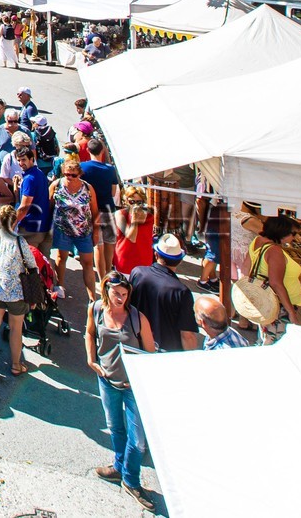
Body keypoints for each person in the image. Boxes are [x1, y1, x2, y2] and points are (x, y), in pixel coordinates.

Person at [85, 273, 156, 508]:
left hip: (133, 387)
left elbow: (149, 354)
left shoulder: (137, 318)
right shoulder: (95, 309)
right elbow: (90, 333)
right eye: (116, 293)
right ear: (106, 289)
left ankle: (131, 479)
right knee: (115, 428)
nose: (120, 298)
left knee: (138, 443)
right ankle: (119, 467)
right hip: (107, 382)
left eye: (125, 295)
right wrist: (91, 360)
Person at [0, 203, 39, 375]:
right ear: (14, 221)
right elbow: (32, 265)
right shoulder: (19, 240)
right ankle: (16, 365)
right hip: (16, 292)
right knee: (16, 328)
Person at [127, 234, 199, 352]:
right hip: (166, 353)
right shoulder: (182, 292)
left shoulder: (137, 272)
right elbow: (187, 335)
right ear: (180, 261)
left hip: (136, 344)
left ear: (156, 254)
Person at [246, 215, 301, 339]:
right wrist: (291, 312)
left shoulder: (257, 241)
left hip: (268, 301)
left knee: (266, 336)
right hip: (280, 305)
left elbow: (246, 268)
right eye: (293, 233)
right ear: (281, 232)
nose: (295, 237)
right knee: (275, 341)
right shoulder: (274, 251)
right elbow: (276, 283)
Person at [48, 159, 99, 300]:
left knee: (87, 263)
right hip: (62, 230)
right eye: (66, 174)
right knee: (61, 258)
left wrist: (96, 231)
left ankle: (92, 297)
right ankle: (60, 286)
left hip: (83, 231)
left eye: (73, 175)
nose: (69, 177)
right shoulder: (56, 185)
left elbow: (95, 211)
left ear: (80, 174)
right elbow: (49, 206)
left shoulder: (88, 188)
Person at [80, 136, 120, 277]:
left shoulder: (83, 167)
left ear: (87, 150)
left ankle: (101, 275)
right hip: (108, 209)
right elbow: (113, 191)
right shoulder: (110, 169)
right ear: (102, 150)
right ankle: (109, 272)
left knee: (98, 244)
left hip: (91, 211)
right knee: (109, 243)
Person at [13, 147, 53, 254]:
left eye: (24, 160)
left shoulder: (29, 179)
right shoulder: (39, 173)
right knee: (45, 264)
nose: (21, 163)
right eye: (19, 160)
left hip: (30, 228)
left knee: (29, 263)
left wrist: (12, 223)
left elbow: (24, 207)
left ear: (32, 159)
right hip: (44, 225)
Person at [112, 193, 156, 276]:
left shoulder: (150, 216)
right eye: (132, 201)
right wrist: (134, 220)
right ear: (126, 201)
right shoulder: (120, 214)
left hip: (144, 259)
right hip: (125, 259)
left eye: (139, 202)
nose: (135, 205)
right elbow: (132, 237)